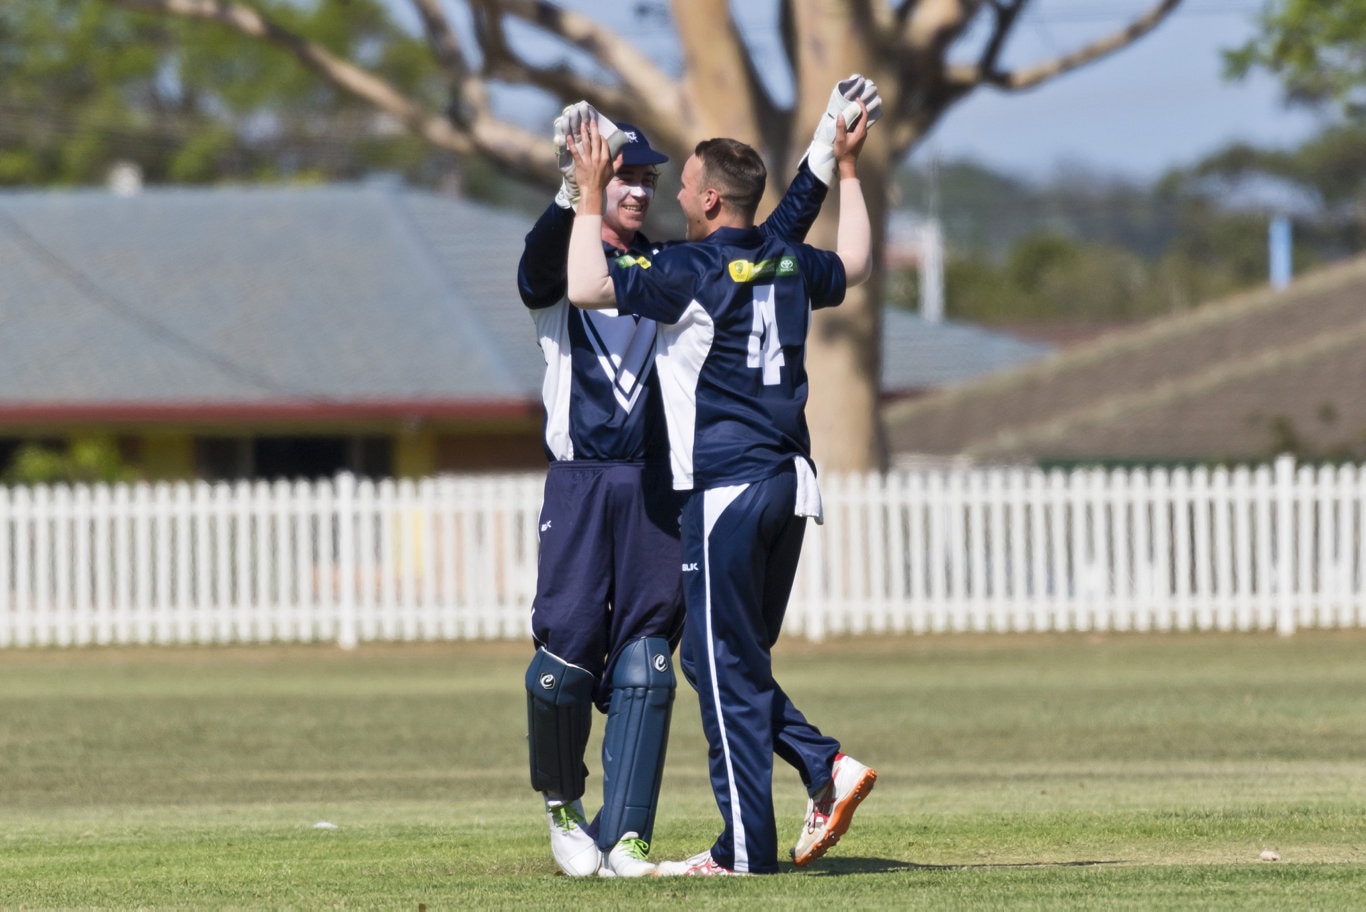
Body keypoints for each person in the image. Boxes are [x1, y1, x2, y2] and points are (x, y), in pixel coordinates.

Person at [515, 77, 878, 878]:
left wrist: (826, 153)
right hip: (682, 483)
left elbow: (744, 244)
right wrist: (835, 158)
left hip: (694, 487)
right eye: (629, 174)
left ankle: (685, 841)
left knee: (686, 663)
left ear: (705, 198)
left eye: (660, 178)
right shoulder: (593, 257)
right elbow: (817, 251)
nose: (649, 187)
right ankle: (572, 807)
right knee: (610, 666)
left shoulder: (682, 267)